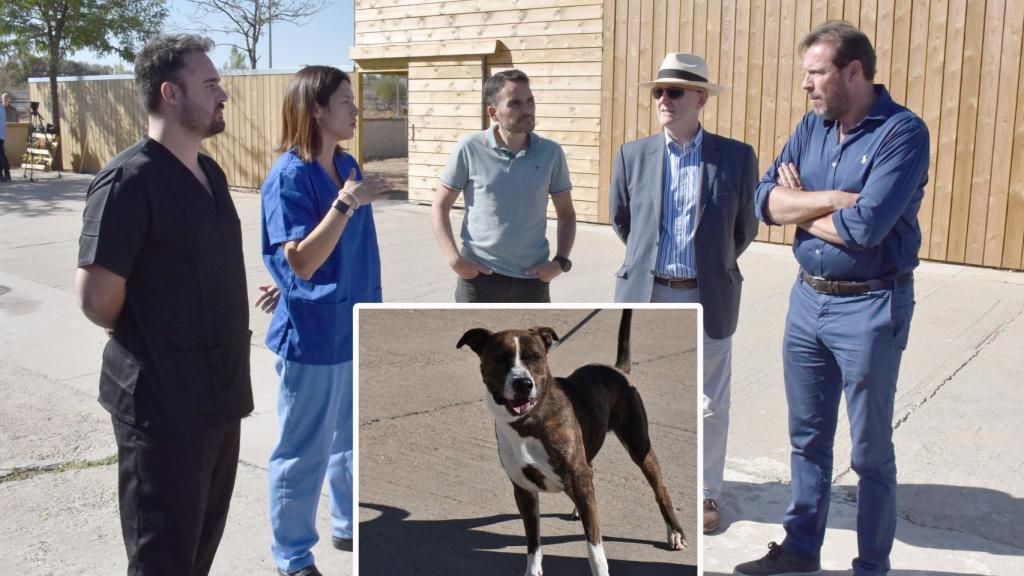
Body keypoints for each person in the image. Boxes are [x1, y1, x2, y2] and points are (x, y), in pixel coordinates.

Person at [734, 20, 930, 576]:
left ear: (853, 72)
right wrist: (830, 202)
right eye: (805, 74)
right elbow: (763, 201)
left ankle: (871, 566)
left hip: (871, 307)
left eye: (816, 73)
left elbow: (866, 228)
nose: (806, 85)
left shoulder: (902, 133)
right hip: (807, 302)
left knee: (869, 454)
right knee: (807, 439)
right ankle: (800, 551)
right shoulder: (810, 127)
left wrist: (801, 204)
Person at [76, 34, 252, 575]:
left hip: (219, 398)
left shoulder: (212, 175)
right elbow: (97, 299)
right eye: (211, 84)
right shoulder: (130, 181)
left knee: (199, 549)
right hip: (163, 407)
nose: (223, 95)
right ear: (171, 94)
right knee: (163, 558)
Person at [609, 52, 759, 535]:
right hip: (646, 290)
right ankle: (614, 481)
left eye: (674, 91)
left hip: (707, 293)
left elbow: (744, 228)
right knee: (620, 394)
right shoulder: (632, 155)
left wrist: (708, 266)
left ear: (700, 99)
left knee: (711, 402)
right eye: (657, 91)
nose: (663, 100)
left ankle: (707, 492)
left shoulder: (735, 157)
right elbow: (623, 221)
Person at [260, 65, 389, 576]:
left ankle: (345, 522)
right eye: (344, 101)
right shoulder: (289, 175)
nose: (356, 110)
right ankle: (291, 557)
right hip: (313, 335)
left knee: (347, 437)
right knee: (303, 450)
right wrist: (346, 202)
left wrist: (286, 275)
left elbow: (317, 255)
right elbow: (304, 260)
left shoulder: (347, 162)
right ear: (316, 110)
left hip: (351, 320)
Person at [431, 69, 576, 303]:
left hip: (533, 281)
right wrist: (455, 260)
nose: (527, 109)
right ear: (493, 112)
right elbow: (439, 207)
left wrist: (559, 263)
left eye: (530, 101)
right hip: (478, 279)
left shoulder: (551, 153)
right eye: (515, 103)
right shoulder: (470, 149)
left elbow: (566, 213)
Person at [0, 97, 10, 182]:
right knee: (2, 154)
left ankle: (2, 175)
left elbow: (2, 124)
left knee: (1, 155)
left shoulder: (1, 109)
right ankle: (7, 173)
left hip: (0, 136)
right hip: (1, 135)